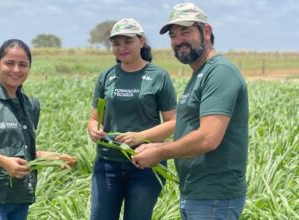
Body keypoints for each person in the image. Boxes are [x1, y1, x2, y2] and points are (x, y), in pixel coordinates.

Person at [132, 3, 249, 220]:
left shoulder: (220, 72)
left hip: (215, 196)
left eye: (185, 31)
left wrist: (159, 152)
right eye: (173, 35)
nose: (178, 41)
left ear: (206, 32)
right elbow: (190, 128)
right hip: (196, 193)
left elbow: (208, 138)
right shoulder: (200, 74)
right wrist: (156, 144)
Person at [0, 39, 76, 220]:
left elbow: (22, 150)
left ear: (29, 67)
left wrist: (52, 158)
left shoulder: (29, 105)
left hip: (19, 195)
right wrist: (4, 162)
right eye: (9, 63)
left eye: (23, 64)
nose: (16, 70)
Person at [87, 18, 177, 220]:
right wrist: (93, 129)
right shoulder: (107, 76)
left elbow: (173, 122)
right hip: (107, 164)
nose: (122, 47)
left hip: (145, 164)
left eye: (128, 41)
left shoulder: (158, 76)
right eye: (116, 43)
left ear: (142, 41)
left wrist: (140, 137)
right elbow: (94, 118)